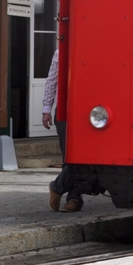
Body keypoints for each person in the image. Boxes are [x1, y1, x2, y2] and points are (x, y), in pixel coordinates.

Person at [42, 49, 83, 212]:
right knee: (70, 157)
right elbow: (52, 81)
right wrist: (46, 109)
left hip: (91, 111)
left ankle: (58, 188)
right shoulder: (60, 52)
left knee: (83, 157)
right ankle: (73, 199)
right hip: (65, 110)